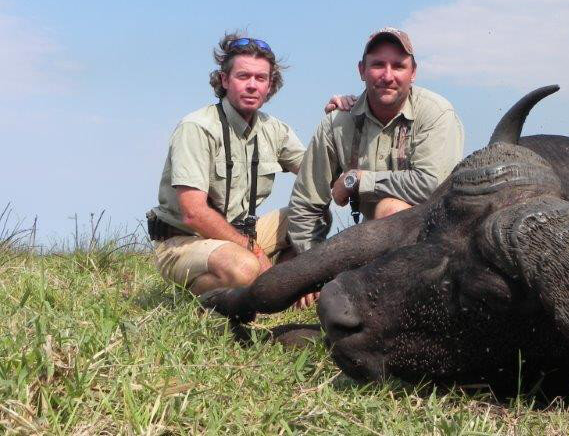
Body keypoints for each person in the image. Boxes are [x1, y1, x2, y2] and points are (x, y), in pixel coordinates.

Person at [286, 27, 464, 305]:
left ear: (413, 72)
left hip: (434, 245)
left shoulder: (437, 113)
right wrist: (313, 272)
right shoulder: (336, 123)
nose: (388, 75)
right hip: (373, 247)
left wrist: (357, 179)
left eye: (398, 66)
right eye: (378, 64)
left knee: (389, 210)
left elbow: (431, 185)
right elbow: (305, 205)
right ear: (362, 70)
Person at [147, 33, 307, 295]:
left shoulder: (275, 129)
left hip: (240, 236)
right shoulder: (197, 127)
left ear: (270, 85)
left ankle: (282, 288)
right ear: (224, 79)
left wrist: (342, 116)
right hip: (186, 241)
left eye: (260, 78)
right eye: (243, 76)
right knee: (244, 268)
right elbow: (193, 212)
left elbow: (321, 174)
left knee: (310, 216)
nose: (252, 85)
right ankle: (194, 298)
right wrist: (254, 251)